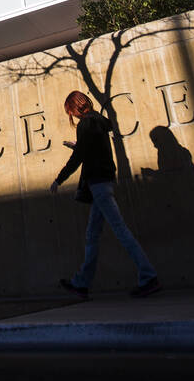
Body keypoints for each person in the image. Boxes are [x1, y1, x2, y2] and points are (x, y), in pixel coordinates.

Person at [50, 89, 160, 299]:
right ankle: (81, 283)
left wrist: (59, 178)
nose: (71, 116)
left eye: (70, 111)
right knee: (92, 235)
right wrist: (79, 146)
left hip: (98, 185)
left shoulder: (85, 125)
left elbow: (79, 158)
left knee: (120, 231)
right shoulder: (99, 122)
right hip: (104, 182)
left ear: (74, 108)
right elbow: (91, 150)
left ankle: (149, 277)